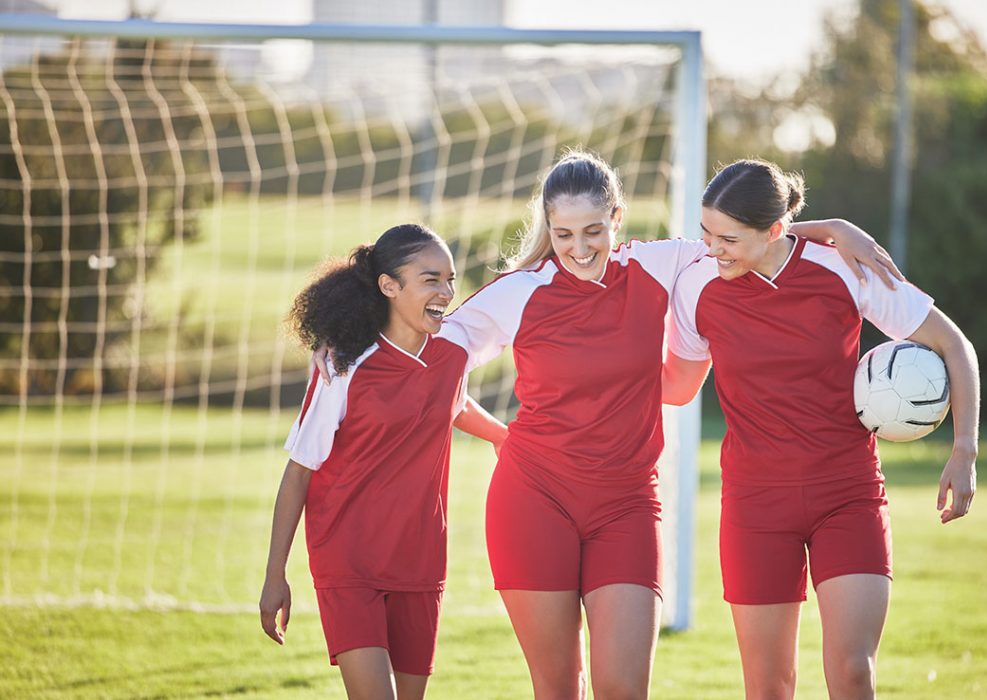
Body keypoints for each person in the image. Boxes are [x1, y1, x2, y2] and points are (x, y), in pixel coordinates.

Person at [314, 151, 898, 699]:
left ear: (616, 217)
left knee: (623, 690)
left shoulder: (658, 264)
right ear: (548, 226)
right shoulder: (519, 293)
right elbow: (426, 345)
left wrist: (822, 228)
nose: (579, 247)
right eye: (563, 234)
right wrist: (345, 339)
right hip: (533, 501)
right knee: (559, 689)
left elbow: (743, 237)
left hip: (626, 505)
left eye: (594, 230)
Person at [662, 159, 980, 699]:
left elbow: (954, 345)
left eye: (729, 239)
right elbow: (678, 386)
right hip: (755, 504)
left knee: (853, 671)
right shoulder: (695, 285)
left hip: (847, 495)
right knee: (769, 686)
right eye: (706, 233)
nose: (712, 249)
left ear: (775, 232)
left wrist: (965, 450)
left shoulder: (845, 269)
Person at [259, 224, 508, 700]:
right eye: (430, 279)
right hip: (348, 558)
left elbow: (450, 403)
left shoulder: (453, 352)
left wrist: (504, 436)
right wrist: (275, 575)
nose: (447, 292)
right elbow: (299, 472)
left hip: (420, 558)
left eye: (450, 279)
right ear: (389, 286)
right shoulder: (343, 366)